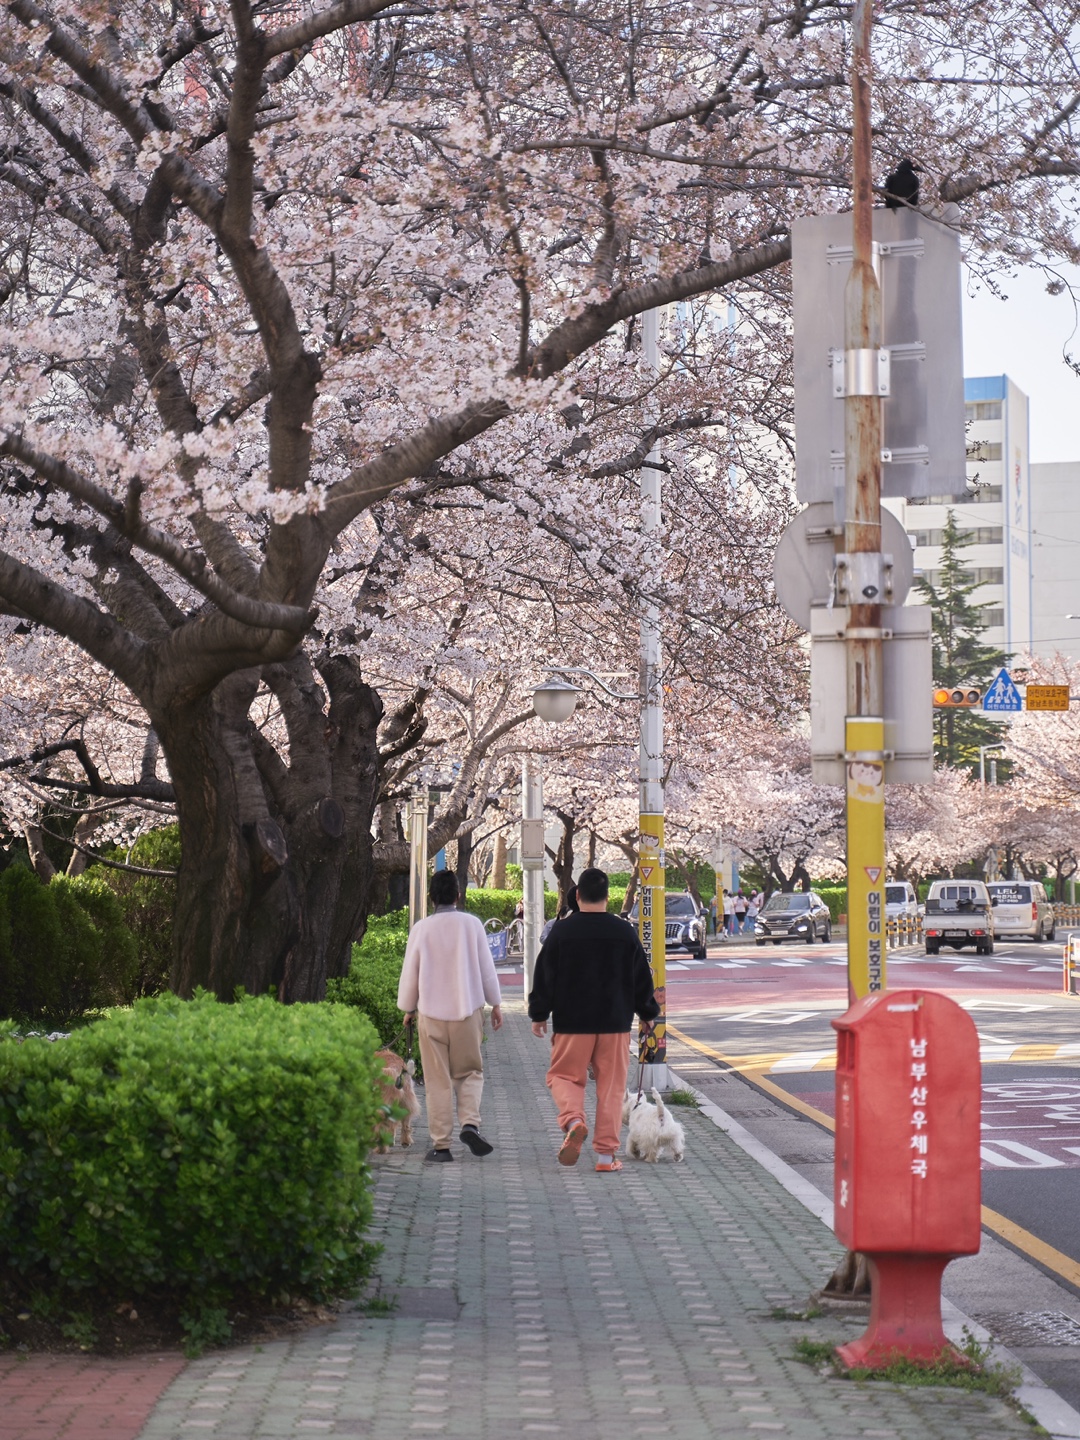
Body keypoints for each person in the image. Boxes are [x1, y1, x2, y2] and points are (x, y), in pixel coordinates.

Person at [528, 867, 659, 1173]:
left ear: (577, 895)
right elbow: (641, 977)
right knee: (611, 1089)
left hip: (572, 1023)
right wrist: (648, 1014)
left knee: (563, 1077)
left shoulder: (562, 931)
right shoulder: (624, 932)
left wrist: (538, 1015)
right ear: (608, 896)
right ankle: (604, 1157)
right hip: (614, 1023)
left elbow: (544, 976)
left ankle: (574, 1120)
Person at [397, 869, 503, 1163]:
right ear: (458, 895)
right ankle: (470, 1123)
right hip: (467, 1011)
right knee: (469, 1072)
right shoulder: (472, 924)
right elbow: (486, 968)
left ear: (432, 898)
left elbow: (411, 972)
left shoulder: (421, 928)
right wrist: (495, 1003)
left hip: (430, 1015)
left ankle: (441, 1146)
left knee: (437, 1080)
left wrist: (408, 1007)